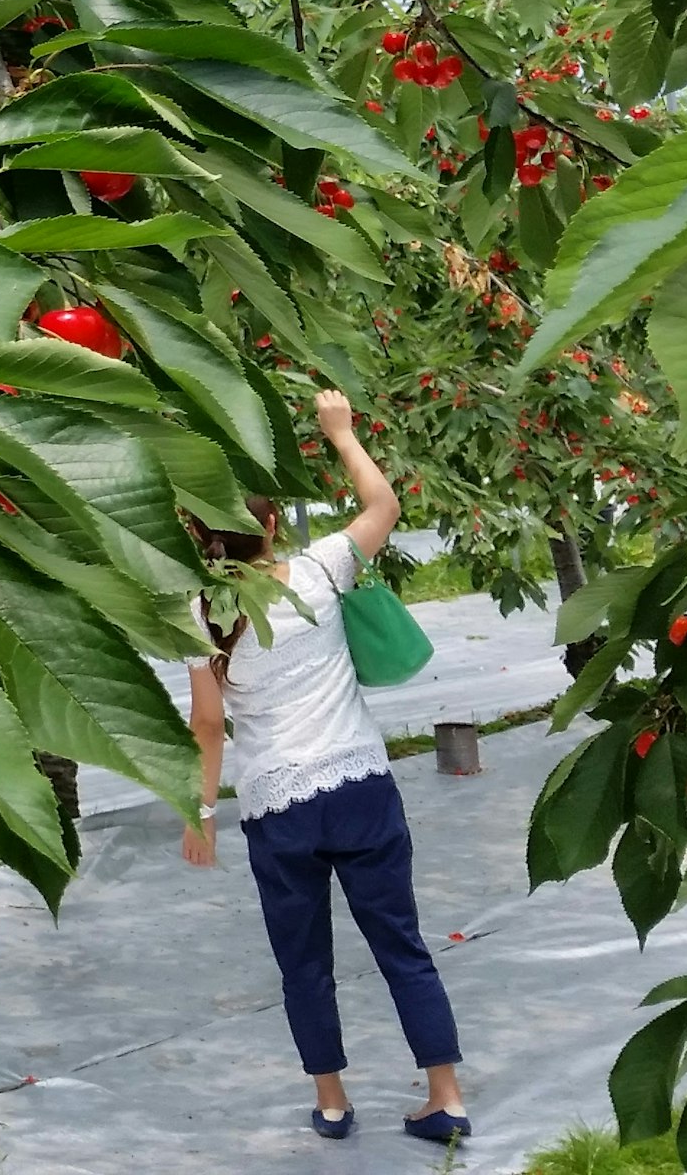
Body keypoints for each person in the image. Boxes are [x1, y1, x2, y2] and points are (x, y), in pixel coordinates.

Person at [182, 388, 466, 1144]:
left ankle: (333, 1103)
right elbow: (384, 504)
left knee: (303, 963)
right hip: (359, 786)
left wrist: (201, 811)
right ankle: (445, 1095)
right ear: (270, 525)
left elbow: (208, 725)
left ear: (203, 539)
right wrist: (340, 433)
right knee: (400, 943)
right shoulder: (321, 570)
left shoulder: (201, 614)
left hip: (278, 805)